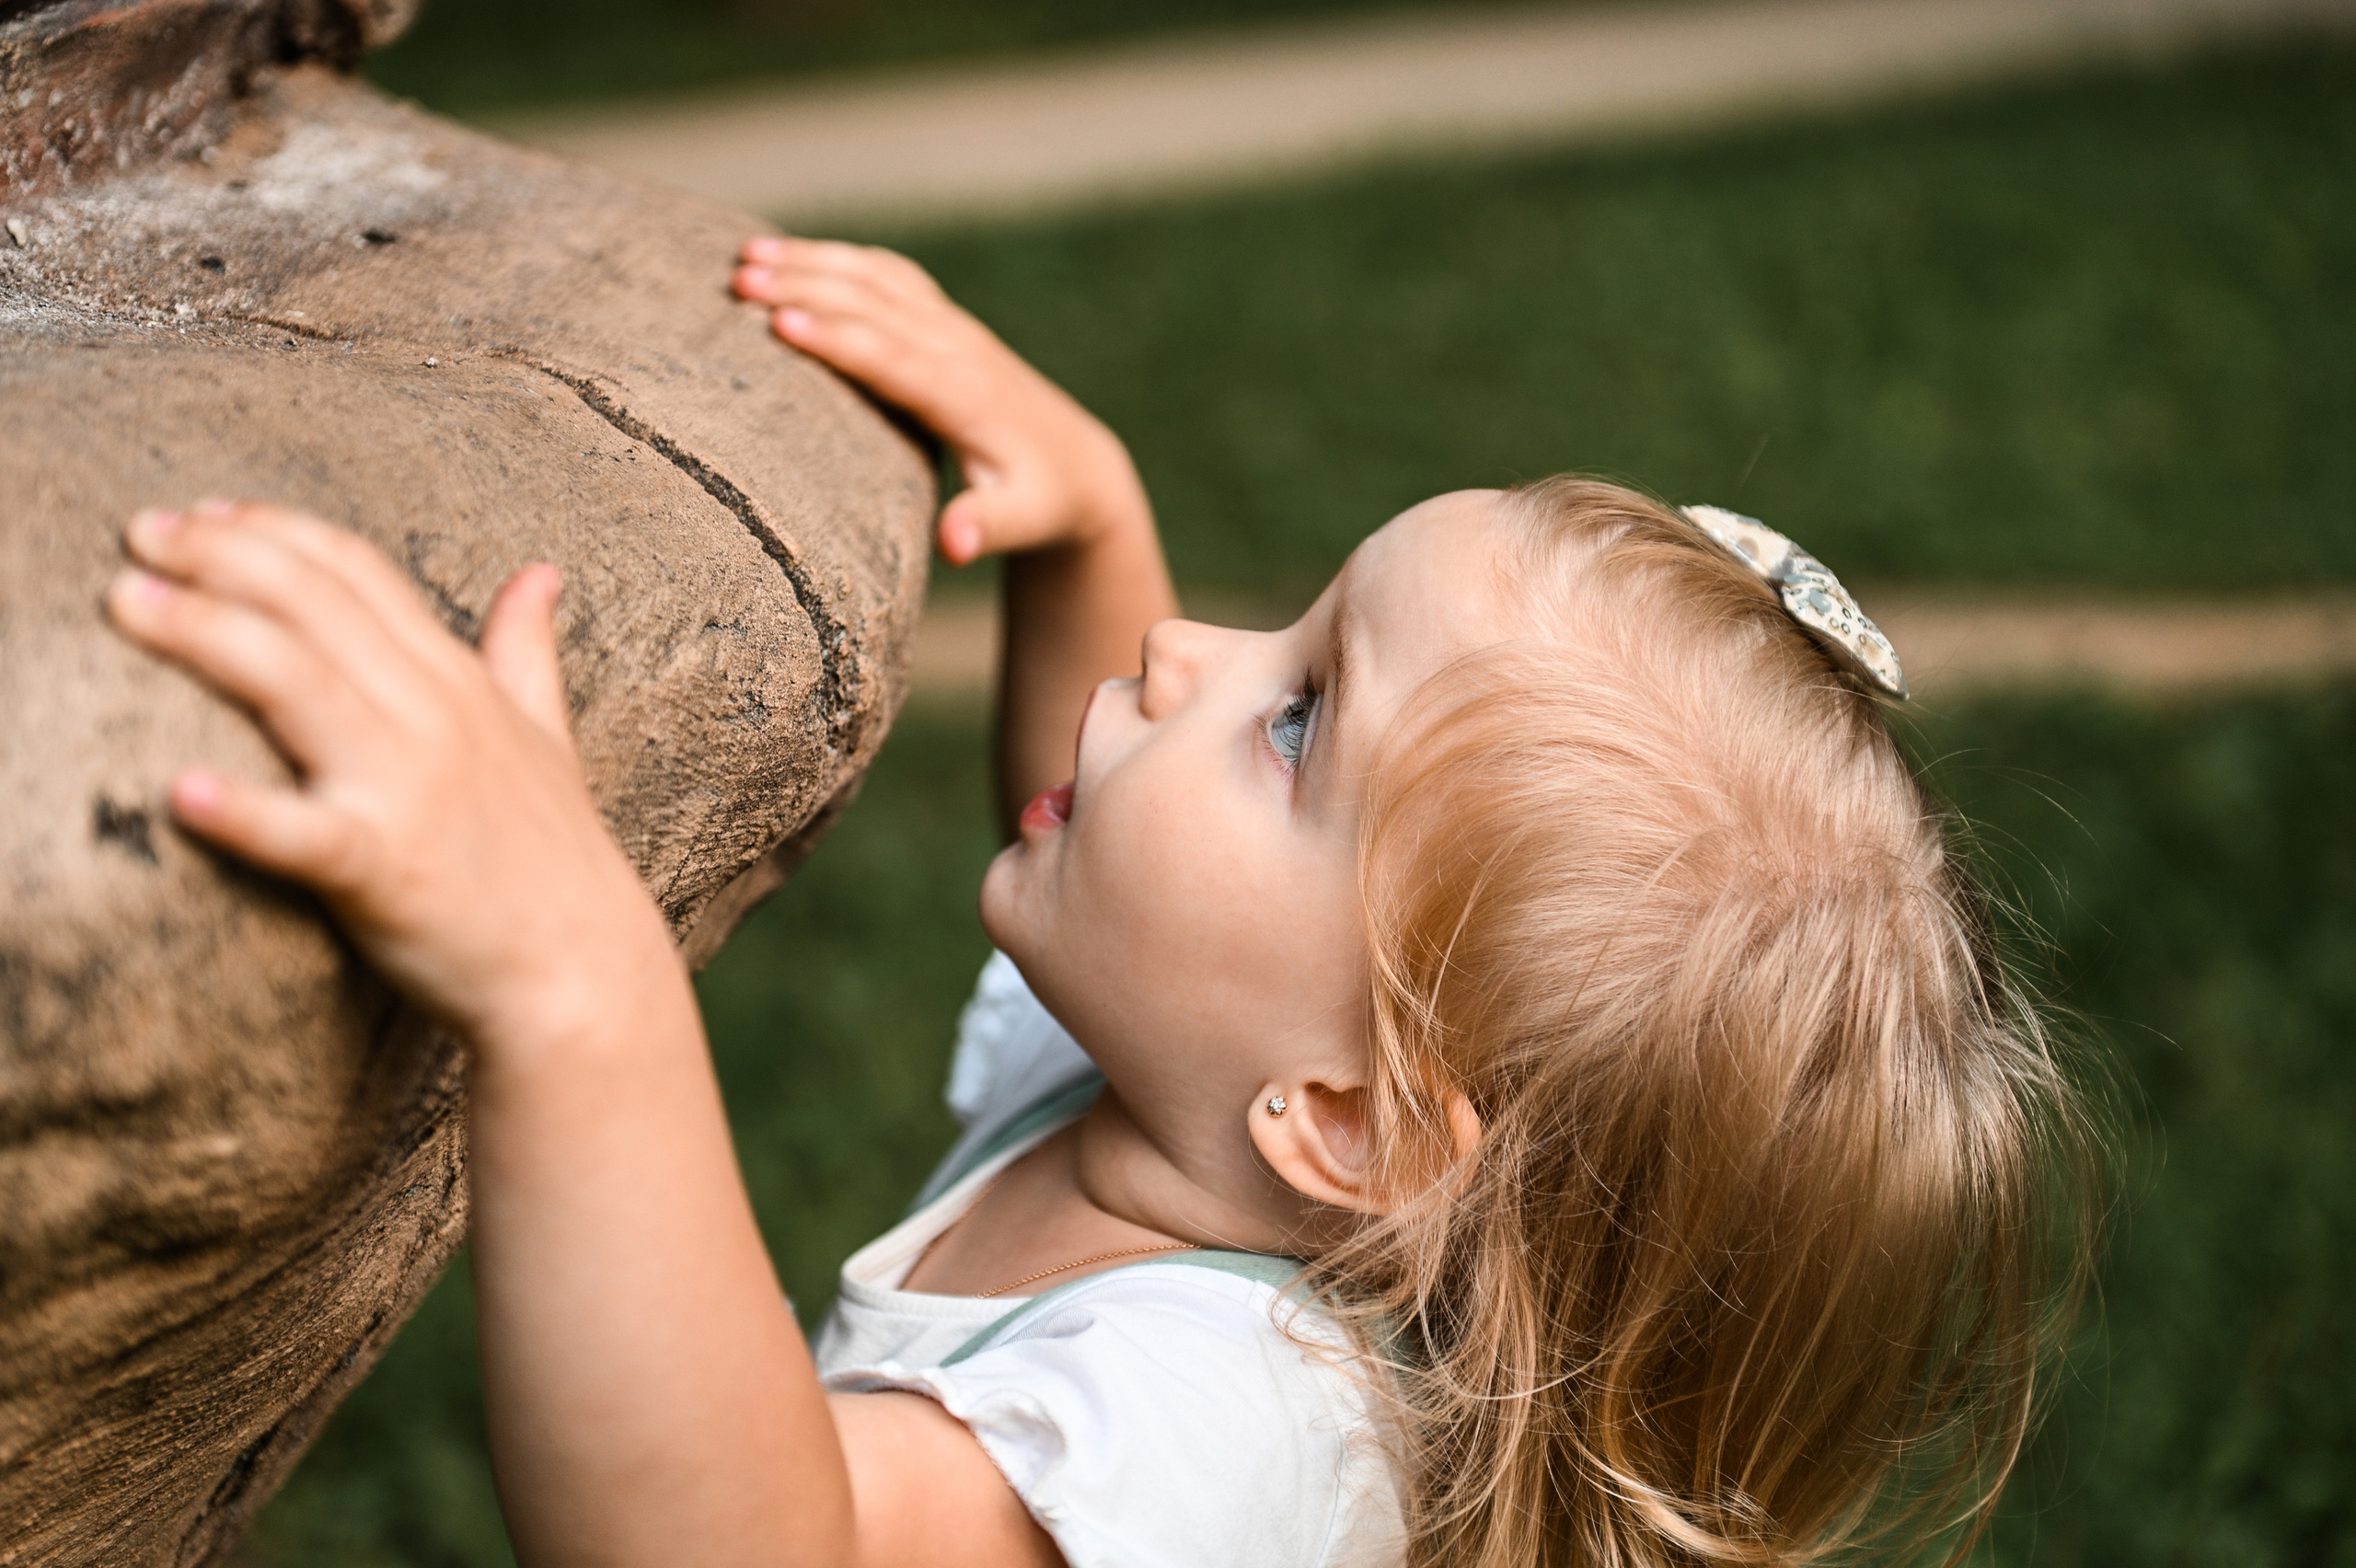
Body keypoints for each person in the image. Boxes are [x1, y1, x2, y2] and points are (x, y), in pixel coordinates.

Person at [103, 234, 2101, 1568]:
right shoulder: (1202, 1108)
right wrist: (1087, 506)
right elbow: (1131, 842)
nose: (1173, 653)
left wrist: (573, 984)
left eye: (1298, 717)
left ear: (1349, 1120)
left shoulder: (1221, 1428)